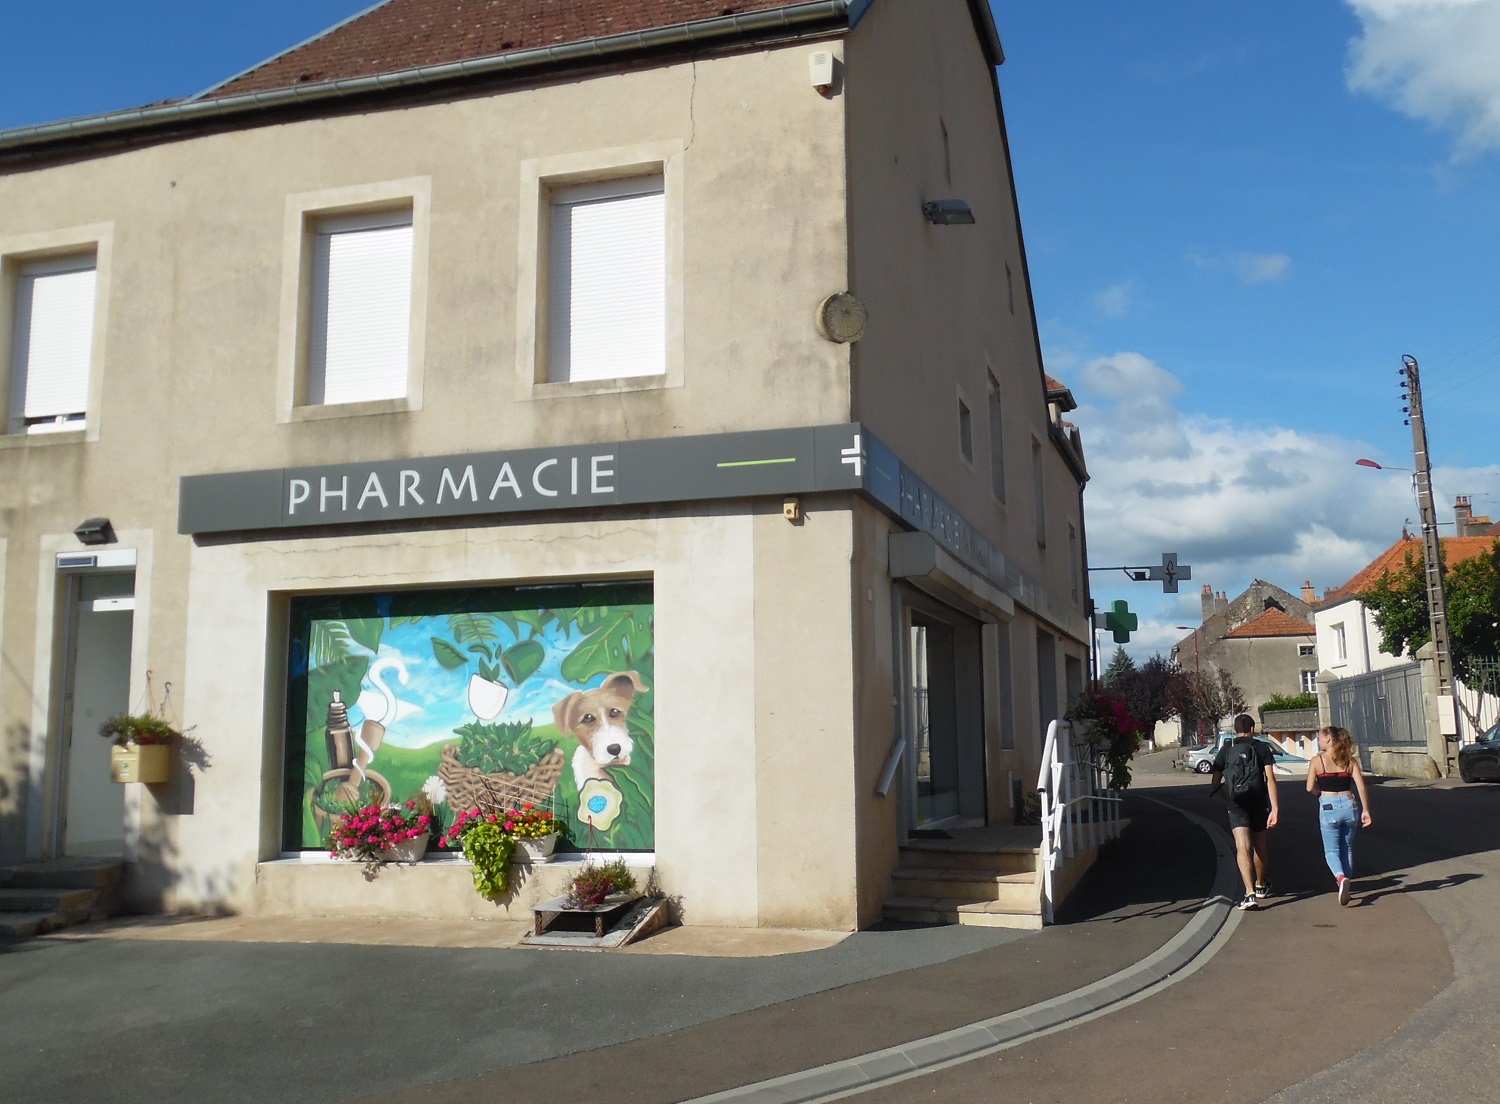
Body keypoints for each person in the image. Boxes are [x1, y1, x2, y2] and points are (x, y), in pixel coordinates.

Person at [1209, 713, 1280, 910]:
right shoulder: (1261, 748)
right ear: (1252, 729)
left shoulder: (1226, 749)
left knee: (1242, 846)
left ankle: (1249, 894)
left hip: (1236, 804)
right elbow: (1270, 779)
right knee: (1260, 845)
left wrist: (1229, 799)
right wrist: (1275, 808)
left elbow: (1214, 782)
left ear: (1235, 730)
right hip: (1258, 802)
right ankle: (1260, 884)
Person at [1305, 725, 1373, 906]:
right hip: (1349, 805)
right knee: (1347, 849)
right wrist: (1366, 810)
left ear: (1328, 739)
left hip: (1328, 805)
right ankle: (1346, 886)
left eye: (1319, 737)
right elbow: (1361, 786)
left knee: (1331, 850)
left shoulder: (1317, 761)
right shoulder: (1350, 761)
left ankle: (1340, 878)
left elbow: (1309, 787)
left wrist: (1320, 794)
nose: (1318, 740)